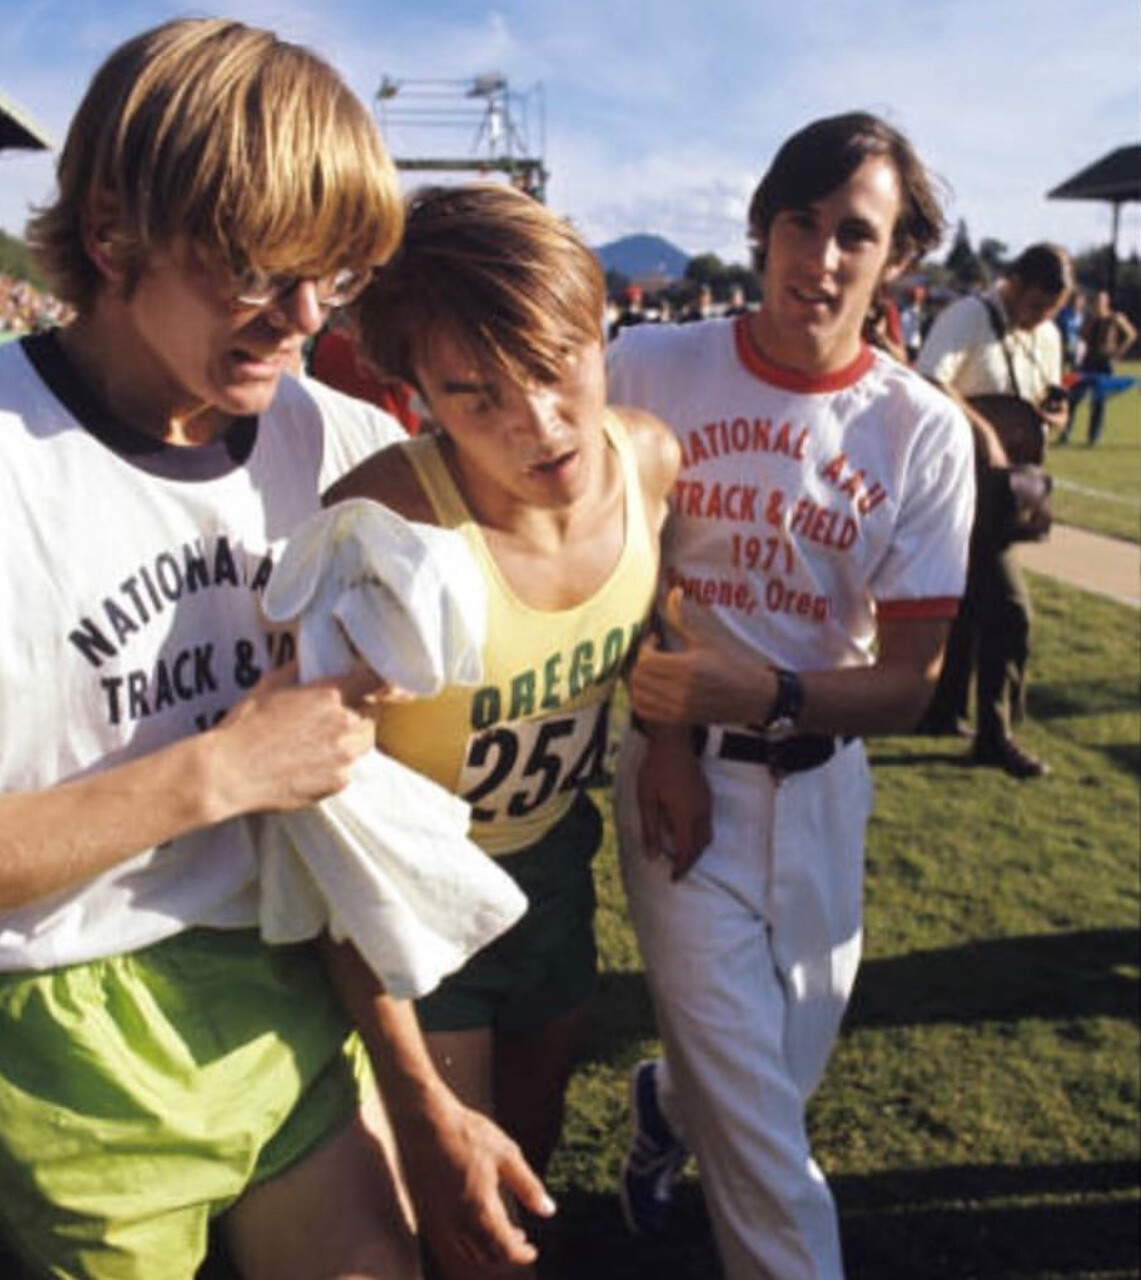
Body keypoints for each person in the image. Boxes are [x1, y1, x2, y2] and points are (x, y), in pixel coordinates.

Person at [0, 20, 550, 1280]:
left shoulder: (338, 446)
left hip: (283, 979)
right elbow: (259, 769)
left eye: (335, 276)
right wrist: (221, 768)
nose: (303, 318)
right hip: (52, 1025)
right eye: (256, 270)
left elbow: (342, 815)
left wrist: (420, 1097)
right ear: (111, 233)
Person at [606, 112, 973, 1280]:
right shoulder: (648, 366)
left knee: (773, 1072)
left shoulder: (918, 430)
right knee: (765, 1140)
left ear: (896, 256)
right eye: (797, 223)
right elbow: (615, 571)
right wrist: (669, 736)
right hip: (681, 781)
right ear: (762, 228)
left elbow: (909, 684)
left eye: (852, 233)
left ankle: (664, 1106)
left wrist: (763, 689)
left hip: (820, 790)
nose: (818, 258)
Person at [326, 182, 679, 1279]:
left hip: (554, 868)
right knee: (462, 1213)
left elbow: (659, 594)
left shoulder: (648, 459)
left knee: (532, 1156)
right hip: (415, 904)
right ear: (416, 393)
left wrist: (669, 737)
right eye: (473, 396)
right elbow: (321, 812)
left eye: (556, 363)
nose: (538, 423)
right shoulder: (387, 521)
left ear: (601, 330)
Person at [916, 243, 1073, 776]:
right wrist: (982, 431)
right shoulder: (968, 316)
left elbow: (1045, 397)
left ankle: (943, 710)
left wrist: (1055, 416)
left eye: (1051, 310)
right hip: (959, 483)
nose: (1040, 318)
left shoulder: (1047, 336)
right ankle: (995, 734)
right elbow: (929, 380)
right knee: (1010, 610)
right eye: (1035, 305)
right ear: (1013, 283)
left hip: (1007, 488)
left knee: (967, 605)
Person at [1064, 288, 1137, 445]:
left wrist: (1118, 352)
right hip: (1088, 361)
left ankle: (1093, 437)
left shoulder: (1115, 318)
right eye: (1095, 302)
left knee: (1098, 400)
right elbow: (1081, 336)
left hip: (1104, 363)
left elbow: (1131, 335)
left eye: (1100, 302)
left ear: (1106, 303)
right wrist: (1089, 324)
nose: (1097, 305)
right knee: (1074, 397)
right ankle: (1065, 433)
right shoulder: (1089, 318)